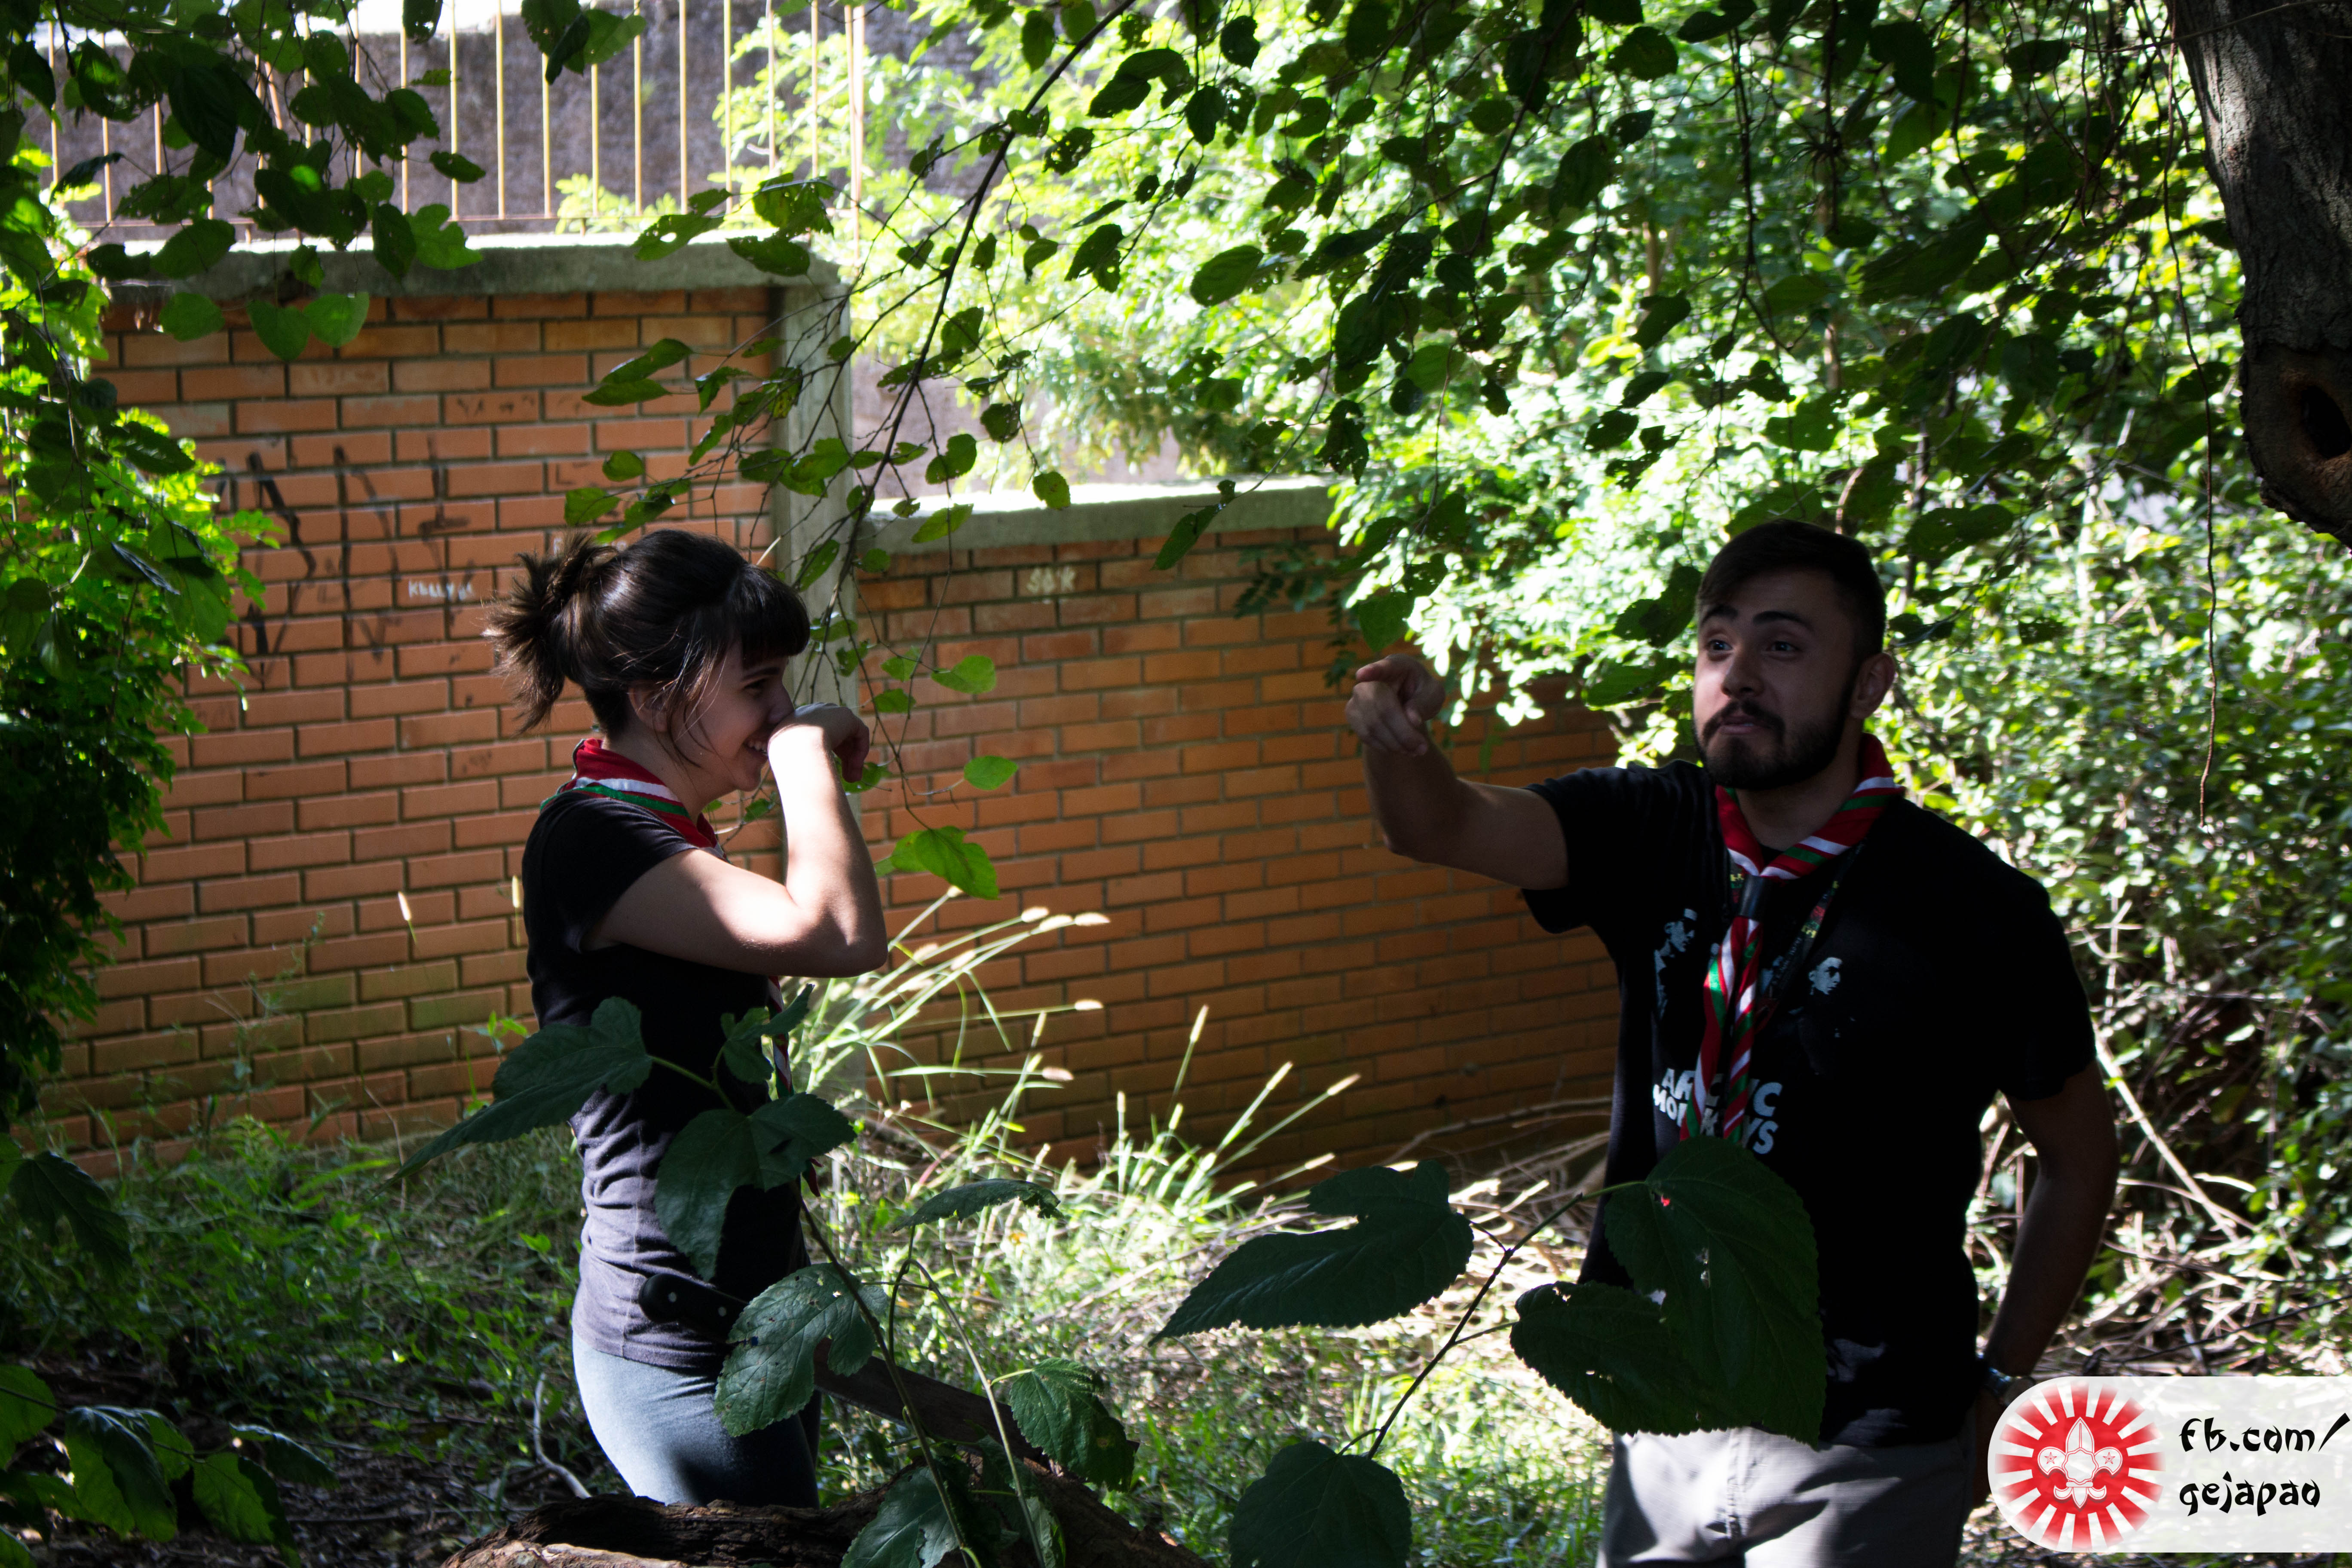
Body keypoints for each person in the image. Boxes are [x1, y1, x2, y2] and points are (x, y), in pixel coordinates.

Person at [1347, 520, 2117, 1565]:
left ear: (1870, 683)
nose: (1739, 675)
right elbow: (1436, 826)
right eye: (1718, 644)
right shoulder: (1652, 825)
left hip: (1867, 1441)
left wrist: (2003, 1379)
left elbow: (2077, 1159)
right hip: (1665, 1405)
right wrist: (1393, 737)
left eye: (1784, 645)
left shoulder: (1976, 909)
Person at [484, 528, 888, 1507]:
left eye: (782, 686)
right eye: (757, 685)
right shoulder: (592, 835)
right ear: (660, 696)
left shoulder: (656, 831)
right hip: (677, 1346)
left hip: (745, 1327)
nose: (780, 708)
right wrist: (802, 756)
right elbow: (836, 931)